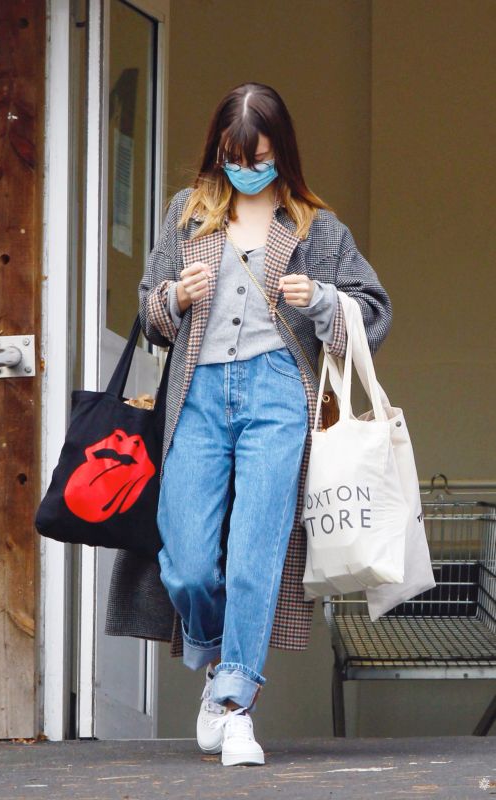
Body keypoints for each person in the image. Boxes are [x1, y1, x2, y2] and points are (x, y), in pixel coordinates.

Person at [136, 82, 392, 766]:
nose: (247, 166)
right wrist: (171, 297)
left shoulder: (315, 227)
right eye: (234, 155)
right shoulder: (185, 216)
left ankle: (233, 703)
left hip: (279, 393)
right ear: (217, 152)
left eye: (260, 155)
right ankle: (220, 656)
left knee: (257, 555)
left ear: (282, 154)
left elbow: (373, 312)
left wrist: (322, 299)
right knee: (187, 565)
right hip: (197, 393)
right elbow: (146, 311)